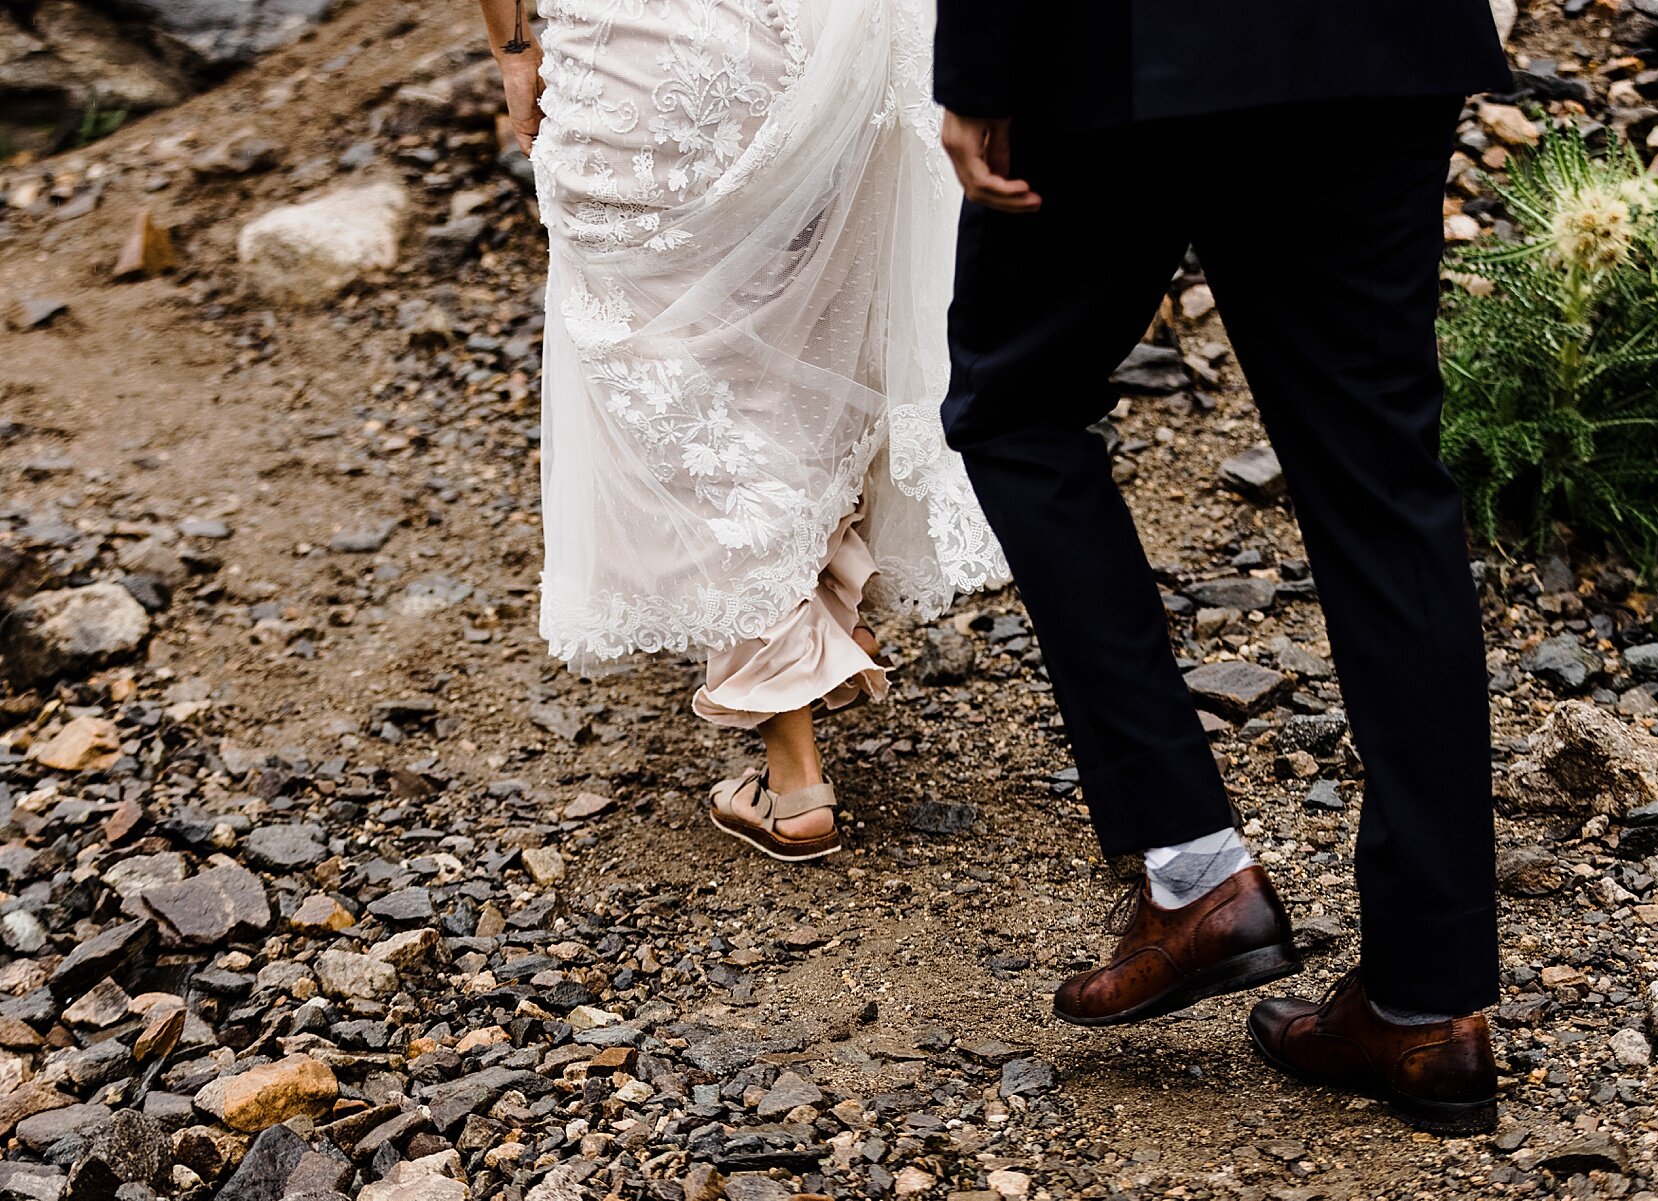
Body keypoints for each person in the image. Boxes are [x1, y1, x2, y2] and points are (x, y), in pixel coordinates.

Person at [932, 1, 1514, 1134]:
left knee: (1016, 406)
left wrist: (982, 65)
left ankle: (1196, 871)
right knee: (1384, 486)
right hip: (1378, 42)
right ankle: (1431, 1009)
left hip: (1121, 45)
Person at [475, 0, 1006, 862]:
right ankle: (826, 601)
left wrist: (513, 49)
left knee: (670, 374)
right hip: (806, 51)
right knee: (789, 336)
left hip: (640, 71)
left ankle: (794, 779)